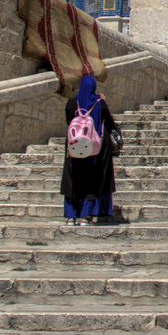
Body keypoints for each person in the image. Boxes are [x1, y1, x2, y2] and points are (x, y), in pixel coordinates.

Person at [60, 74, 118, 225]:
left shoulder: (72, 103)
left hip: (74, 148)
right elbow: (110, 123)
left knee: (72, 181)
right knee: (93, 179)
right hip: (93, 150)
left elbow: (68, 121)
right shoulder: (99, 103)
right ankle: (87, 216)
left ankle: (71, 216)